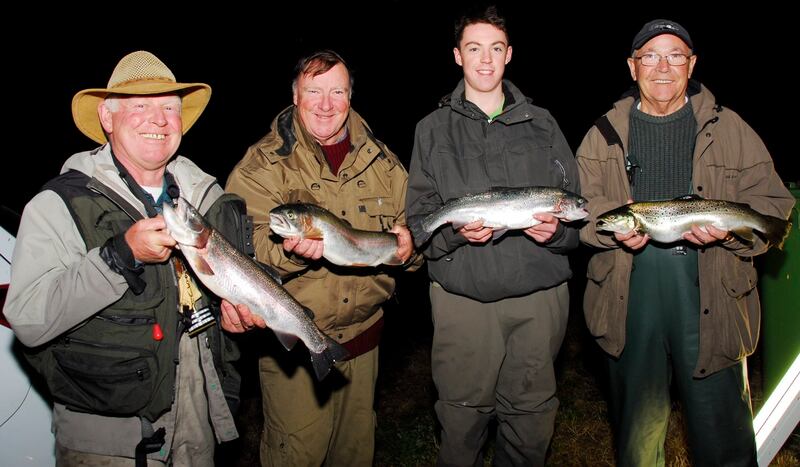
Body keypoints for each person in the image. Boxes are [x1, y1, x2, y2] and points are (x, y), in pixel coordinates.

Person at [2, 50, 260, 466]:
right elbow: (28, 318)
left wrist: (233, 313)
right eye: (140, 106)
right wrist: (120, 256)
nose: (159, 120)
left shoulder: (204, 199)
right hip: (108, 438)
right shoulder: (60, 204)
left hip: (198, 421)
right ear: (107, 118)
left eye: (169, 108)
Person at [577, 19, 795, 466]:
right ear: (632, 67)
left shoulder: (731, 127)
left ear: (691, 64)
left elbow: (772, 203)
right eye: (649, 56)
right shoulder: (602, 133)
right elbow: (580, 213)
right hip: (629, 292)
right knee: (638, 437)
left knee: (722, 432)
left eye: (675, 55)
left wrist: (733, 236)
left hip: (712, 286)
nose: (662, 67)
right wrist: (613, 233)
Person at [405, 6, 581, 466]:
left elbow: (576, 210)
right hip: (463, 300)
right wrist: (457, 236)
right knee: (461, 421)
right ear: (457, 56)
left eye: (496, 49)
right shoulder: (430, 129)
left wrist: (557, 233)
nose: (486, 60)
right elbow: (421, 218)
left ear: (509, 56)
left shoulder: (543, 124)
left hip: (538, 299)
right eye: (475, 48)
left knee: (530, 419)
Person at [225, 49, 419, 466]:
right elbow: (241, 249)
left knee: (354, 455)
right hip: (294, 347)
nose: (326, 104)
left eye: (338, 91)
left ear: (350, 97)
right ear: (296, 96)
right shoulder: (262, 164)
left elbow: (417, 235)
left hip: (366, 345)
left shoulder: (383, 162)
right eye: (314, 91)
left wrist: (408, 251)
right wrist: (290, 255)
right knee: (297, 456)